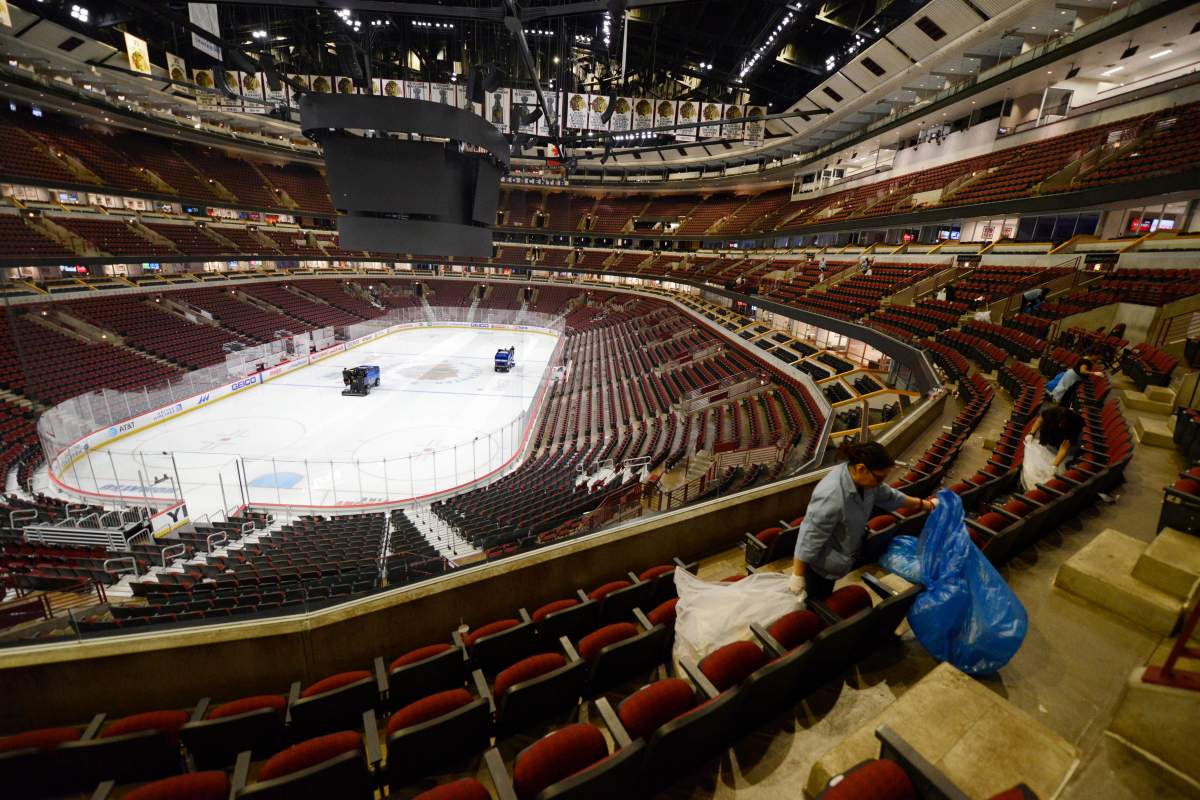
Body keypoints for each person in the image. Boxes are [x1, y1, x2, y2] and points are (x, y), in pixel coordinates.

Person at [790, 441, 936, 601]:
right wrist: (797, 574)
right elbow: (810, 535)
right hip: (820, 566)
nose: (881, 483)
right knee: (817, 599)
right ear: (861, 468)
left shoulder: (866, 482)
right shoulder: (831, 496)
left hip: (844, 552)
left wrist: (924, 505)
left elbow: (890, 496)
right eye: (879, 478)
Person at [1022, 405, 1084, 490]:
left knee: (1051, 470)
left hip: (1064, 447)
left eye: (1062, 424)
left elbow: (1064, 448)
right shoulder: (1052, 413)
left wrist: (1054, 466)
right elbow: (1040, 420)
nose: (1060, 425)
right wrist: (1031, 433)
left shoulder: (1074, 424)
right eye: (1059, 423)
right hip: (1051, 439)